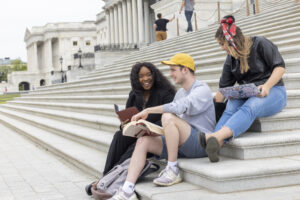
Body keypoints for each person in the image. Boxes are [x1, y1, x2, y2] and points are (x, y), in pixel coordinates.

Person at [108, 53, 216, 200]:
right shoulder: (179, 93)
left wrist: (148, 110)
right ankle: (127, 189)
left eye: (173, 70)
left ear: (185, 69)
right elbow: (173, 125)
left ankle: (172, 169)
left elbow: (180, 107)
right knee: (143, 141)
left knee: (167, 116)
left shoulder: (202, 89)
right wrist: (147, 129)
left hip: (200, 142)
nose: (170, 74)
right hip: (181, 144)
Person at [198, 15, 287, 163]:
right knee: (231, 105)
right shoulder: (231, 59)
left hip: (274, 90)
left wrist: (266, 86)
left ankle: (215, 137)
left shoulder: (260, 43)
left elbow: (280, 67)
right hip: (248, 92)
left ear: (230, 40)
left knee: (252, 106)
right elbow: (222, 91)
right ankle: (215, 144)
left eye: (222, 44)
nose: (221, 48)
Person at [85, 62, 176, 195]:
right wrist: (125, 123)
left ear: (154, 75)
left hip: (155, 136)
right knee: (119, 135)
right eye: (141, 76)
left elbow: (170, 120)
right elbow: (128, 118)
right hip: (137, 132)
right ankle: (106, 176)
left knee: (134, 146)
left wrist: (149, 127)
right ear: (136, 79)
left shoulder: (165, 92)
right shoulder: (134, 94)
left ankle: (105, 181)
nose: (145, 79)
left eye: (148, 75)